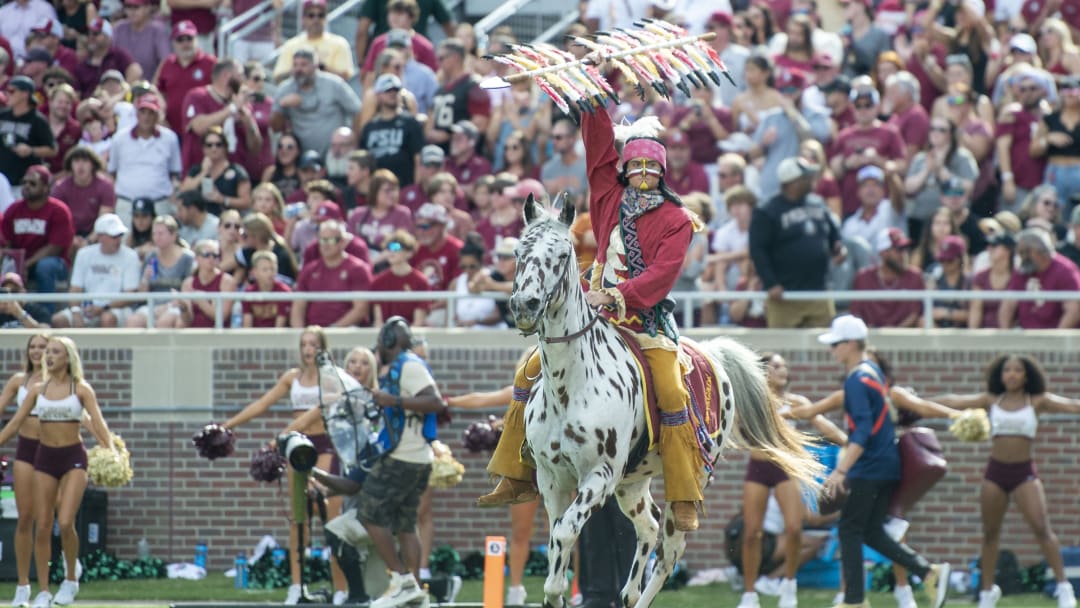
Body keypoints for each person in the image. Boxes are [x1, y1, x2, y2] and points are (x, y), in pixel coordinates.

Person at [479, 79, 706, 532]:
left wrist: (617, 294)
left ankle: (683, 494)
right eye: (635, 165)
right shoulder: (609, 197)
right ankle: (515, 473)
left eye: (650, 166)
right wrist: (593, 94)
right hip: (593, 316)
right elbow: (599, 150)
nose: (642, 172)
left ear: (662, 172)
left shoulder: (678, 219)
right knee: (528, 370)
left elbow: (661, 276)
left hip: (643, 321)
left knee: (673, 391)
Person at [817, 315, 951, 608]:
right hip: (887, 465)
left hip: (869, 467)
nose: (833, 351)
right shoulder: (874, 372)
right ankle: (929, 573)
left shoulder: (856, 378)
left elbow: (862, 429)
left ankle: (853, 601)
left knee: (849, 529)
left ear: (851, 344)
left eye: (836, 344)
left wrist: (841, 471)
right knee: (872, 531)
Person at [933, 355, 1080, 608]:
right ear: (1000, 376)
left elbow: (1073, 405)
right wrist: (915, 402)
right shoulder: (992, 400)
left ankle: (1064, 589)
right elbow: (954, 401)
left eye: (1017, 370)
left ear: (1026, 375)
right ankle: (987, 594)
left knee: (1042, 529)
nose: (1011, 374)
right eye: (1007, 370)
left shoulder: (1037, 401)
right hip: (995, 473)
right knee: (991, 534)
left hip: (1024, 474)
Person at [221, 327, 348, 605]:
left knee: (331, 519)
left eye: (313, 344)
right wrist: (227, 426)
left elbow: (314, 415)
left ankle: (341, 589)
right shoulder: (292, 378)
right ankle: (297, 587)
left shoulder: (332, 379)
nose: (308, 349)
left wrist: (279, 438)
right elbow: (262, 404)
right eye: (304, 344)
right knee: (298, 520)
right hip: (297, 448)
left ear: (323, 347)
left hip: (325, 446)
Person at [0, 336, 116, 608]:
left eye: (54, 352)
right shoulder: (36, 389)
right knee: (41, 524)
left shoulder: (81, 389)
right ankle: (42, 591)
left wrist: (112, 451)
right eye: (46, 352)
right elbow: (14, 425)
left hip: (73, 458)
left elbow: (98, 423)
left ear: (68, 358)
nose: (47, 356)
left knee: (64, 522)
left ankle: (70, 579)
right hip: (43, 458)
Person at [737, 351, 847, 608]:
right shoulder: (752, 401)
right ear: (764, 371)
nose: (783, 370)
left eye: (785, 366)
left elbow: (822, 424)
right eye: (776, 366)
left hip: (786, 469)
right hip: (759, 468)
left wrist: (848, 442)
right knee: (752, 532)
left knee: (795, 528)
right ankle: (750, 594)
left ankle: (789, 585)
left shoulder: (797, 401)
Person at [360, 317, 444, 608]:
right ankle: (416, 591)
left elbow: (436, 402)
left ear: (388, 341)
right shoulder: (402, 366)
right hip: (415, 456)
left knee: (368, 513)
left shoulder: (409, 365)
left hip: (404, 457)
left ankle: (401, 580)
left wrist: (392, 401)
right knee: (406, 525)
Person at [749, 157, 844, 328]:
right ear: (792, 182)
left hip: (819, 292)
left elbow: (833, 233)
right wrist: (771, 283)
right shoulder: (767, 210)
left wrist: (838, 246)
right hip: (785, 295)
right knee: (784, 349)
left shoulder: (818, 202)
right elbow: (757, 249)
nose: (812, 180)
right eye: (807, 177)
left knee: (823, 350)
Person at [0, 334, 48, 608]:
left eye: (43, 347)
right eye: (33, 347)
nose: (38, 351)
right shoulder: (19, 381)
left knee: (48, 520)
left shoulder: (60, 384)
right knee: (25, 518)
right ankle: (22, 586)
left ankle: (49, 583)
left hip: (53, 452)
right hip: (26, 451)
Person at [51, 214, 142, 328]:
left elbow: (130, 294)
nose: (118, 239)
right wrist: (75, 311)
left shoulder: (130, 256)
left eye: (120, 235)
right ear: (100, 237)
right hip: (88, 308)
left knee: (107, 318)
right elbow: (75, 288)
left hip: (117, 309)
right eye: (114, 236)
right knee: (59, 320)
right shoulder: (84, 254)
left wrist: (104, 308)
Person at [1, 165, 74, 301]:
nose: (27, 186)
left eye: (33, 183)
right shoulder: (14, 209)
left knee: (45, 266)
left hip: (54, 263)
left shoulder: (59, 210)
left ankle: (45, 311)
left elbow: (54, 248)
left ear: (46, 188)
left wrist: (25, 264)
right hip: (19, 262)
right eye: (24, 182)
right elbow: (6, 241)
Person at [271, 49, 362, 158]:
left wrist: (354, 140)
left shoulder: (334, 84)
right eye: (295, 65)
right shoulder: (285, 89)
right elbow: (275, 128)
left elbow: (358, 111)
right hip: (301, 156)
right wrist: (282, 105)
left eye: (304, 65)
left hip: (335, 153)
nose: (298, 69)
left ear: (315, 66)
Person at [998, 228, 1080, 329]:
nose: (1023, 257)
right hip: (1026, 336)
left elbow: (1074, 310)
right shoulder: (1022, 270)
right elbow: (1008, 306)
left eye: (1026, 252)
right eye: (1021, 253)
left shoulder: (1065, 271)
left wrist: (1057, 339)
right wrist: (1006, 337)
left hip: (1056, 337)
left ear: (1041, 251)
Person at [272, 0, 355, 83]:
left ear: (326, 18)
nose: (316, 19)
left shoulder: (339, 43)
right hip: (297, 92)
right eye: (311, 15)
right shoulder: (291, 44)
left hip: (329, 93)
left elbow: (346, 76)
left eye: (321, 15)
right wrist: (300, 70)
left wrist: (320, 67)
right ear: (303, 19)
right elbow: (278, 77)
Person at [179, 239, 237, 328]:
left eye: (215, 255)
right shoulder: (188, 283)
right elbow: (188, 321)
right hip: (194, 333)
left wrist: (201, 301)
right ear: (197, 258)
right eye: (206, 255)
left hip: (218, 335)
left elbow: (222, 317)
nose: (211, 258)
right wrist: (183, 307)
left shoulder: (227, 281)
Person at [240, 250, 291, 328]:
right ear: (254, 272)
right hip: (255, 337)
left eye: (272, 269)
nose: (270, 273)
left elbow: (280, 327)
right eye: (265, 269)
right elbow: (247, 326)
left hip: (277, 338)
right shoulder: (248, 293)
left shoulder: (284, 292)